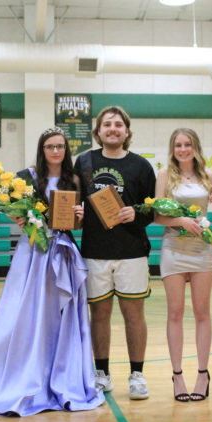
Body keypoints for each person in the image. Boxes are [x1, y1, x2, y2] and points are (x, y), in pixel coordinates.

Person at [0, 127, 105, 416]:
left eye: (60, 146)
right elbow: (8, 207)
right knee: (26, 314)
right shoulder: (27, 176)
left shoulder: (75, 179)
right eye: (49, 146)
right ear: (42, 149)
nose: (55, 151)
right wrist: (19, 217)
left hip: (63, 251)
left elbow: (76, 224)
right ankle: (23, 371)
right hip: (33, 252)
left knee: (60, 316)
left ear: (66, 150)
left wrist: (80, 217)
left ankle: (58, 375)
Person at [73, 106, 156, 400]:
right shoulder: (83, 162)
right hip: (95, 252)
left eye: (118, 124)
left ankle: (137, 374)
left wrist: (137, 213)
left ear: (127, 131)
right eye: (107, 124)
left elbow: (152, 209)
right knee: (99, 315)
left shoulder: (142, 166)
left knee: (134, 314)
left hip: (132, 252)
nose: (112, 128)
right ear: (98, 131)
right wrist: (76, 214)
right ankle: (102, 373)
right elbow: (73, 205)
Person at [154, 128, 212, 402]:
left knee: (202, 313)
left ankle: (202, 374)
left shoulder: (210, 178)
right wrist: (179, 221)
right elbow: (157, 216)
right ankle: (177, 376)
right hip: (173, 248)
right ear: (172, 149)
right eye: (178, 145)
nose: (183, 149)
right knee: (175, 313)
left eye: (187, 144)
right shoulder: (165, 176)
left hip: (202, 250)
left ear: (196, 147)